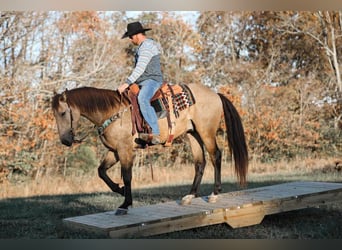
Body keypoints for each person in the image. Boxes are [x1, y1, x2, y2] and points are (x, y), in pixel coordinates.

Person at [118, 21, 163, 145]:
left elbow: (140, 68)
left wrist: (126, 83)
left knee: (143, 98)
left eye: (131, 37)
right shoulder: (142, 47)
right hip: (142, 81)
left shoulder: (147, 47)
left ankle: (155, 132)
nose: (131, 40)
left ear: (136, 35)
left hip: (152, 80)